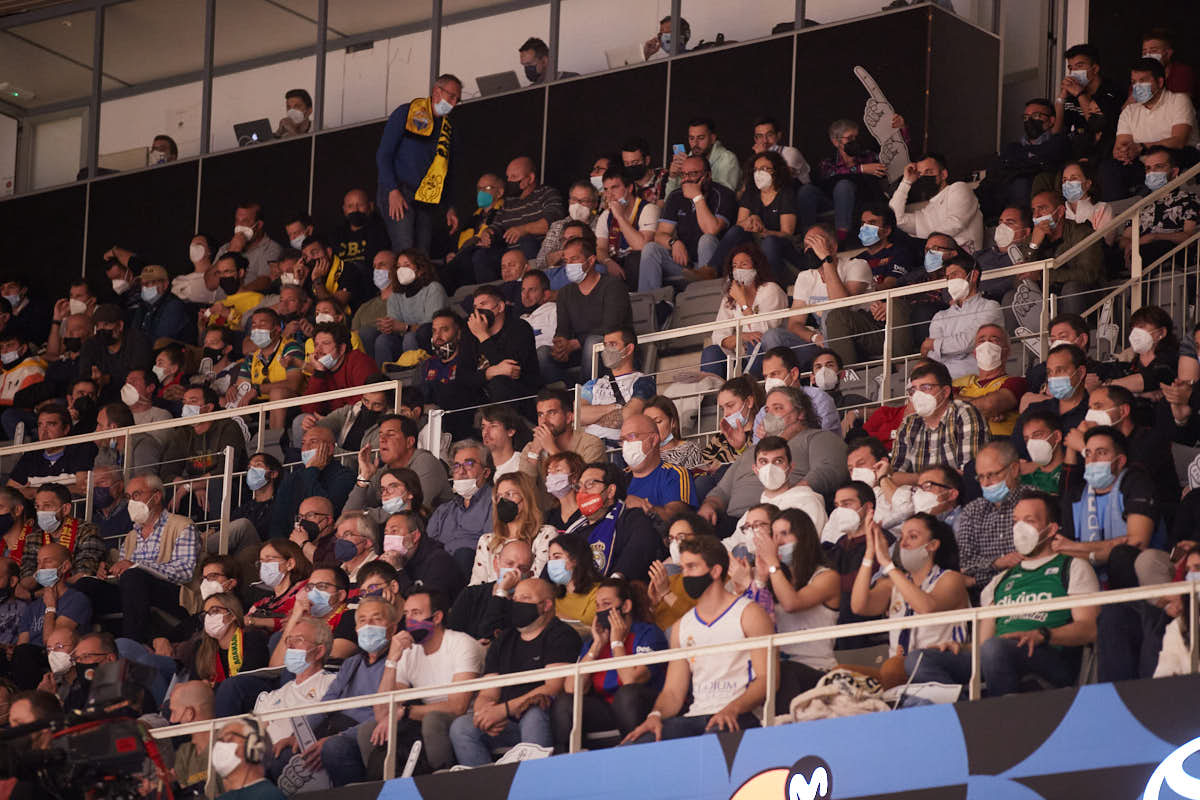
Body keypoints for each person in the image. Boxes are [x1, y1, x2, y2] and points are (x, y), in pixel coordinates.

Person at [910, 493, 1099, 696]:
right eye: (1016, 521)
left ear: (1051, 529)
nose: (1019, 528)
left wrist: (1043, 635)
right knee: (919, 659)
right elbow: (983, 645)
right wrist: (961, 647)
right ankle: (966, 710)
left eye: (1029, 521)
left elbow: (1089, 629)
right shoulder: (999, 581)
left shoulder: (1073, 567)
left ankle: (1003, 714)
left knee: (995, 649)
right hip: (997, 653)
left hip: (1048, 654)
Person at [623, 535, 772, 743]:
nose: (685, 575)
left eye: (692, 567)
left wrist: (732, 708)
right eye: (683, 568)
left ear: (716, 570)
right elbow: (673, 692)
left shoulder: (749, 613)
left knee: (713, 739)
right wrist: (654, 716)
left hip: (741, 714)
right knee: (640, 742)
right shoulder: (681, 627)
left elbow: (767, 678)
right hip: (695, 716)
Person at [448, 577, 581, 766]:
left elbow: (553, 687)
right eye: (515, 598)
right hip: (507, 721)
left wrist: (502, 710)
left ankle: (533, 786)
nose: (517, 604)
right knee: (461, 727)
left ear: (546, 605)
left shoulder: (561, 635)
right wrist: (485, 714)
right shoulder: (504, 639)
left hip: (546, 718)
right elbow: (488, 691)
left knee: (533, 715)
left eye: (525, 599)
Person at [365, 589, 482, 776]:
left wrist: (405, 712)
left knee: (432, 720)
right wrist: (392, 660)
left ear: (436, 617)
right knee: (369, 730)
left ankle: (441, 782)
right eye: (406, 614)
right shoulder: (408, 651)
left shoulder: (461, 644)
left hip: (467, 718)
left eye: (417, 613)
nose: (409, 620)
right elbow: (382, 712)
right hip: (424, 719)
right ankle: (377, 789)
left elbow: (457, 706)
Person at [700, 386, 846, 532]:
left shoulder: (816, 437)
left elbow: (830, 468)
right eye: (767, 411)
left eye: (777, 408)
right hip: (734, 524)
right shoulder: (752, 451)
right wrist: (709, 505)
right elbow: (721, 491)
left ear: (800, 413)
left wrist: (787, 498)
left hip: (779, 519)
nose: (769, 416)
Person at [851, 513, 968, 688]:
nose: (903, 544)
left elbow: (926, 606)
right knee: (841, 674)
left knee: (897, 665)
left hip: (938, 664)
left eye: (912, 537)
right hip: (896, 672)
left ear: (933, 545)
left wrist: (888, 564)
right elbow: (859, 606)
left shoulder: (951, 579)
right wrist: (870, 553)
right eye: (902, 537)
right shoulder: (892, 584)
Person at [551, 575, 667, 750]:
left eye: (606, 604)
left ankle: (634, 754)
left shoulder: (649, 634)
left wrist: (617, 643)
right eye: (597, 606)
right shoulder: (596, 640)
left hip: (643, 705)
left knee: (626, 695)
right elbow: (571, 689)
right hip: (606, 709)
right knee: (565, 703)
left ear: (626, 606)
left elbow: (631, 680)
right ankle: (567, 763)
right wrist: (596, 647)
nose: (600, 611)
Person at [754, 508, 840, 705]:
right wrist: (760, 579)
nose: (778, 542)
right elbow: (755, 622)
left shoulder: (827, 577)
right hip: (778, 668)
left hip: (816, 670)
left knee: (783, 674)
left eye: (784, 534)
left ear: (804, 537)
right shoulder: (774, 579)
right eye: (774, 536)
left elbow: (792, 603)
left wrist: (773, 564)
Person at [1056, 426, 1158, 589]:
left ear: (1120, 461)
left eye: (1101, 453)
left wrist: (1078, 548)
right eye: (1088, 453)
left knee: (1122, 555)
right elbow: (1061, 549)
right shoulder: (1075, 496)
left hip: (1137, 583)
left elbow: (1136, 543)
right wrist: (1111, 545)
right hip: (1086, 584)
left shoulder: (1136, 483)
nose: (1092, 460)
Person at [760, 224, 872, 369]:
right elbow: (794, 324)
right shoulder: (805, 277)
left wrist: (826, 261)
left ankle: (837, 373)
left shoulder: (857, 266)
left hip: (853, 340)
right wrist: (814, 337)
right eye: (806, 245)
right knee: (772, 336)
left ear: (833, 247)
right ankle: (783, 384)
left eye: (816, 243)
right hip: (821, 342)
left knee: (829, 313)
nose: (809, 249)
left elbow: (841, 305)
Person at [103, 473, 198, 643]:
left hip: (175, 596)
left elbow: (185, 572)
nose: (131, 502)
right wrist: (108, 573)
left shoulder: (182, 525)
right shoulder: (131, 536)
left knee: (133, 576)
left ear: (156, 496)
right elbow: (124, 573)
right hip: (136, 591)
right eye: (128, 497)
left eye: (137, 495)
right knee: (88, 586)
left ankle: (133, 644)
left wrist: (137, 566)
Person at [375, 75, 463, 253]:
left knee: (421, 256)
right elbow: (384, 155)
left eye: (457, 99)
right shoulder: (406, 113)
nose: (454, 103)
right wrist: (392, 190)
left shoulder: (448, 130)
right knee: (405, 248)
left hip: (425, 199)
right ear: (437, 91)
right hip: (399, 191)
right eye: (452, 96)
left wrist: (450, 208)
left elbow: (447, 174)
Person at [460, 156, 565, 287]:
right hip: (506, 253)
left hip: (534, 251)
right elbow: (497, 226)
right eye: (508, 177)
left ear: (530, 178)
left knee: (527, 240)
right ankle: (489, 293)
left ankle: (529, 286)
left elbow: (553, 222)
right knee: (480, 255)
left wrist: (523, 229)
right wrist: (488, 232)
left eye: (514, 177)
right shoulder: (509, 202)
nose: (509, 181)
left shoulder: (547, 194)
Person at [1102, 58, 1198, 200]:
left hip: (1176, 159)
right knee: (1110, 167)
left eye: (1143, 81)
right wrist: (1123, 153)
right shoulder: (1129, 111)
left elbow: (1179, 140)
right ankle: (1119, 216)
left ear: (1159, 82)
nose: (1137, 86)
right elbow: (1121, 145)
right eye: (1134, 82)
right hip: (1142, 163)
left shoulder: (1179, 100)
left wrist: (1141, 147)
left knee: (1165, 157)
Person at [542, 236, 633, 383]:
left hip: (612, 349)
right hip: (577, 351)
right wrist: (562, 343)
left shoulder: (613, 286)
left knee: (593, 343)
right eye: (566, 261)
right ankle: (564, 395)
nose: (569, 265)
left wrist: (576, 343)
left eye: (574, 259)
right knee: (543, 353)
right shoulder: (565, 293)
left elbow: (611, 327)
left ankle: (587, 396)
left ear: (590, 261)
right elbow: (563, 329)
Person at [639, 154, 736, 290]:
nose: (687, 180)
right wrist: (674, 243)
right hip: (686, 266)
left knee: (706, 240)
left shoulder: (723, 194)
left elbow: (711, 230)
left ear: (707, 175)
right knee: (650, 249)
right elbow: (660, 235)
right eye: (684, 175)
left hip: (715, 266)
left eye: (693, 174)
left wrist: (697, 197)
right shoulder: (676, 196)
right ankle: (648, 305)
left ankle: (704, 295)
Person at [955, 441, 1036, 596]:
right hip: (987, 599)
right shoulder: (973, 511)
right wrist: (998, 563)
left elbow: (1035, 559)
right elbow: (964, 565)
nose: (985, 483)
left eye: (991, 475)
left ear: (1014, 469)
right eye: (980, 477)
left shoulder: (1034, 500)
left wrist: (976, 578)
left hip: (1029, 589)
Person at [565, 462, 665, 584]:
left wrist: (614, 583)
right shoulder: (574, 528)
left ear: (611, 491)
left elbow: (637, 553)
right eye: (579, 487)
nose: (582, 492)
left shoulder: (633, 519)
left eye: (590, 484)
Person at [796, 117, 893, 241]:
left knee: (844, 185)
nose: (855, 141)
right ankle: (808, 237)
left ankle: (841, 237)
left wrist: (900, 129)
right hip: (831, 201)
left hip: (862, 200)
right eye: (850, 138)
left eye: (856, 137)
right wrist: (861, 169)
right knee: (807, 190)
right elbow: (830, 175)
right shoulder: (828, 161)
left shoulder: (867, 156)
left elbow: (892, 159)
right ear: (836, 142)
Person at [890, 361, 987, 483]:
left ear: (945, 392)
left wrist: (915, 480)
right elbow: (895, 475)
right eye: (913, 390)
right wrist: (925, 481)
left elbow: (968, 473)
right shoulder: (909, 422)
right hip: (919, 497)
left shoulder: (964, 413)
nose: (918, 395)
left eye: (926, 388)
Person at [700, 243, 788, 379]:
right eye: (734, 266)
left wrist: (743, 303)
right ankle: (709, 397)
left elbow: (765, 335)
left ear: (756, 266)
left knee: (755, 343)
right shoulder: (729, 299)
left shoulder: (771, 290)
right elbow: (718, 336)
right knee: (711, 351)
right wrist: (741, 337)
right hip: (741, 357)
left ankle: (744, 384)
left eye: (744, 264)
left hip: (769, 355)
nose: (738, 270)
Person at [1017, 189, 1106, 316]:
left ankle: (1070, 332)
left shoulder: (1083, 233)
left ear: (1059, 212)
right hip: (1047, 298)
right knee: (1012, 297)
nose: (1036, 216)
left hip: (1087, 297)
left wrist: (1042, 276)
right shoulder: (1031, 239)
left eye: (1042, 209)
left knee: (1071, 288)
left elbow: (1087, 274)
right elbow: (1019, 280)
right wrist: (1034, 246)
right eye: (1033, 210)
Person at [713, 150, 798, 282]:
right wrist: (750, 220)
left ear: (776, 171)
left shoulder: (785, 194)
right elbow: (739, 225)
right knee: (736, 231)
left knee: (769, 241)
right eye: (756, 169)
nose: (759, 173)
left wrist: (765, 231)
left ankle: (770, 284)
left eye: (765, 168)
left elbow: (787, 233)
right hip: (755, 242)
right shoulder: (751, 193)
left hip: (780, 244)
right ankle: (711, 269)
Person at [921, 256, 1004, 380]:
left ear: (973, 275)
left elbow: (969, 342)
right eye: (948, 277)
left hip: (976, 379)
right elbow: (935, 357)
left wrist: (934, 344)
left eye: (955, 274)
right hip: (944, 382)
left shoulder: (990, 307)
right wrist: (944, 347)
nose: (951, 281)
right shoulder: (940, 316)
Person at [348, 414, 449, 514]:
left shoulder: (426, 462)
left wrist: (364, 515)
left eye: (390, 434)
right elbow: (348, 514)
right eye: (380, 435)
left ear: (409, 442)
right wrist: (364, 476)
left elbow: (411, 509)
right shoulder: (383, 471)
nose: (382, 439)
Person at [470, 472, 555, 585]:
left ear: (526, 498)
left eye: (509, 494)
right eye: (499, 496)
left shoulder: (545, 534)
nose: (502, 500)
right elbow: (476, 587)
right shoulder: (487, 541)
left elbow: (538, 581)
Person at [1119, 146, 1199, 266]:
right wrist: (1130, 245)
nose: (1152, 172)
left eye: (1159, 167)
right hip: (1138, 251)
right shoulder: (1141, 205)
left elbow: (1189, 236)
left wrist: (1155, 237)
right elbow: (1124, 238)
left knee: (1153, 248)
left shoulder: (1189, 199)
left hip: (1171, 253)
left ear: (1174, 171)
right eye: (1148, 168)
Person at [889, 153, 984, 252]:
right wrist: (906, 182)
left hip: (965, 259)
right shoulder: (926, 211)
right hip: (939, 262)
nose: (924, 177)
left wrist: (926, 241)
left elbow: (956, 223)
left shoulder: (958, 188)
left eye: (929, 172)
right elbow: (895, 218)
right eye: (920, 174)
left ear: (943, 174)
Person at [578, 327, 655, 445]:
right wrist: (615, 407)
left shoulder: (643, 381)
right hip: (589, 449)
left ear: (629, 349)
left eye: (613, 344)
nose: (607, 349)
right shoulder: (592, 384)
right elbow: (579, 415)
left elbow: (628, 416)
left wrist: (591, 420)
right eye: (605, 345)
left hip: (619, 449)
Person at [446, 538, 531, 643]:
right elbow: (450, 639)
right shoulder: (471, 595)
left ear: (530, 575)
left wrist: (501, 593)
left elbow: (491, 636)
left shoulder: (528, 604)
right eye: (509, 564)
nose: (514, 572)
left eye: (522, 568)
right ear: (496, 563)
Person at [1053, 43, 1124, 168]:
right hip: (1075, 156)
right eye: (1071, 68)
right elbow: (1056, 132)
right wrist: (1061, 97)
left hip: (1102, 156)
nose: (1074, 72)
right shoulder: (1071, 96)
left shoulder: (1111, 91)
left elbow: (1097, 125)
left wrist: (1080, 94)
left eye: (1079, 66)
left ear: (1095, 69)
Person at [427, 440, 493, 575]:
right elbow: (428, 547)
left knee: (463, 555)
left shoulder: (494, 503)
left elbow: (491, 547)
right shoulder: (443, 511)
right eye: (456, 466)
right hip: (440, 571)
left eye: (469, 464)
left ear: (486, 472)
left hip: (474, 571)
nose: (461, 471)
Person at [952, 325, 1027, 437]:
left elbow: (989, 404)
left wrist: (957, 402)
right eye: (981, 340)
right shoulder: (961, 384)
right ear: (975, 353)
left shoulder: (1016, 382)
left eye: (994, 340)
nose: (986, 344)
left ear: (1006, 352)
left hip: (1000, 446)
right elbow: (942, 404)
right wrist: (986, 411)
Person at [6, 404, 95, 499]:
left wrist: (31, 492)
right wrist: (65, 490)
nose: (43, 432)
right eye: (40, 425)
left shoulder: (81, 450)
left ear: (66, 429)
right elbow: (9, 494)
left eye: (51, 424)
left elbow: (82, 490)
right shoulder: (31, 455)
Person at [620, 413, 696, 518]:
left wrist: (643, 507)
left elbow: (676, 517)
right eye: (622, 440)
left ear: (654, 439)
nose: (626, 444)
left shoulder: (673, 474)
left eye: (632, 436)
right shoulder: (619, 479)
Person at [518, 388, 606, 479]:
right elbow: (523, 490)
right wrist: (534, 453)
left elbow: (585, 485)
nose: (544, 421)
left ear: (568, 417)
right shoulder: (530, 448)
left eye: (551, 413)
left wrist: (552, 449)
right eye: (540, 415)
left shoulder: (591, 444)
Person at [595, 168, 659, 286]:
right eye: (606, 189)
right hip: (616, 264)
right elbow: (600, 249)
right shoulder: (605, 215)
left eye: (614, 188)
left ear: (629, 188)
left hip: (639, 265)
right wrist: (608, 262)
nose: (609, 195)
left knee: (635, 258)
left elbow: (642, 247)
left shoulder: (648, 208)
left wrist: (620, 217)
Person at [194, 592, 269, 686]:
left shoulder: (252, 639)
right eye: (206, 614)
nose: (209, 618)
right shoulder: (202, 648)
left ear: (232, 614)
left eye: (215, 611)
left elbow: (246, 682)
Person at [244, 539, 311, 635]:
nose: (264, 566)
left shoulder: (305, 589)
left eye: (269, 559)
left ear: (290, 564)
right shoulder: (262, 603)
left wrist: (254, 621)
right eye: (262, 561)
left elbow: (294, 623)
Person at [666, 117, 741, 195]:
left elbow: (723, 197)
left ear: (712, 138)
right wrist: (673, 177)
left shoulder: (728, 159)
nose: (695, 143)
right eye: (692, 138)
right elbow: (670, 200)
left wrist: (693, 171)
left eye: (701, 138)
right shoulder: (689, 158)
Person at [546, 533, 603, 625]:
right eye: (549, 558)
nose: (551, 563)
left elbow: (592, 628)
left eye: (557, 557)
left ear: (575, 559)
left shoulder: (600, 592)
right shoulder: (552, 595)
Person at [644, 395, 705, 470]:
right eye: (648, 423)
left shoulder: (690, 450)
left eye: (658, 421)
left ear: (673, 422)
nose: (652, 428)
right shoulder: (643, 455)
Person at [1019, 410, 1067, 495]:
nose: (1031, 442)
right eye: (1027, 439)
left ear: (1057, 436)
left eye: (1037, 435)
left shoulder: (1070, 474)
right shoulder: (1024, 479)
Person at [751, 115, 811, 183]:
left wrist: (763, 156)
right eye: (760, 136)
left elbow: (783, 178)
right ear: (755, 140)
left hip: (797, 189)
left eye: (769, 135)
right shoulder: (756, 157)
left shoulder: (791, 152)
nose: (765, 141)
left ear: (778, 136)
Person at [620, 137, 670, 206]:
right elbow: (621, 205)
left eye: (634, 162)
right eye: (626, 163)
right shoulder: (625, 183)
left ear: (647, 160)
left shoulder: (663, 176)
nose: (630, 167)